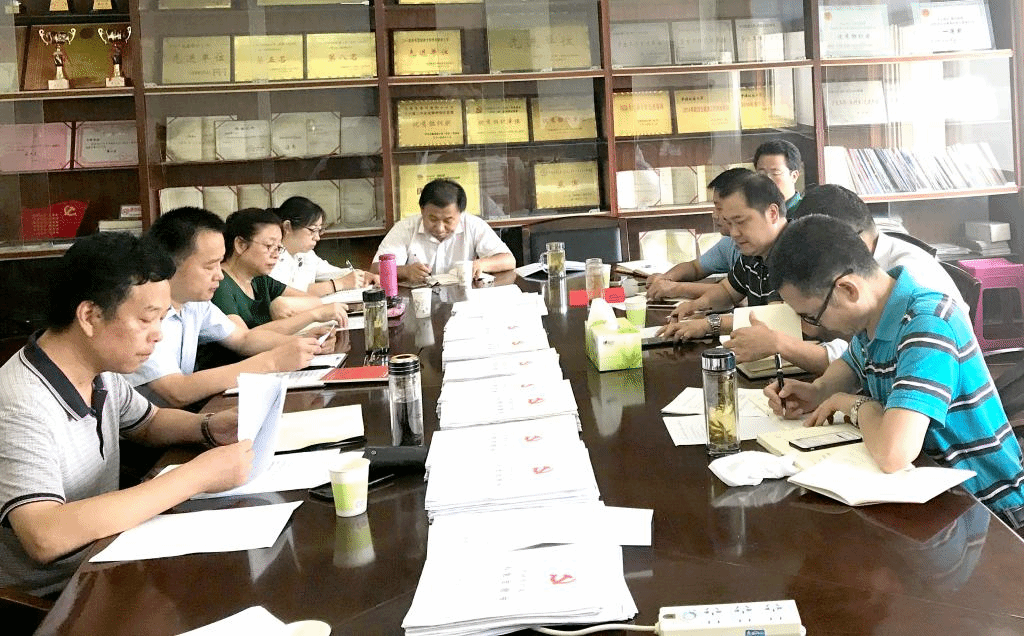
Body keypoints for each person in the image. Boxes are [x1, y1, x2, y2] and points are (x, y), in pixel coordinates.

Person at [0, 233, 253, 596]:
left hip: (110, 556)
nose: (158, 336)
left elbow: (148, 422)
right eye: (147, 319)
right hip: (56, 598)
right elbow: (45, 535)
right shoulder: (19, 402)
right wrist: (196, 477)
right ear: (90, 316)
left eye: (162, 319)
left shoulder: (99, 369)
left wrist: (209, 426)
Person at [763, 215, 1024, 530]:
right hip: (930, 495)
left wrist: (857, 405)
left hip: (989, 510)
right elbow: (850, 365)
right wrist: (818, 392)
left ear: (848, 289)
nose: (810, 328)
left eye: (812, 317)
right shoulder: (875, 314)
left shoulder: (927, 324)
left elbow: (893, 453)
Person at [127, 207, 324, 408]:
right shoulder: (143, 314)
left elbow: (243, 338)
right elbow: (177, 391)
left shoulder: (195, 304)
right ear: (170, 263)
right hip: (150, 424)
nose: (220, 275)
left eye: (219, 263)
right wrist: (272, 362)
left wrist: (304, 344)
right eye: (209, 266)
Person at [656, 172, 838, 375]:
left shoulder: (796, 250)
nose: (733, 233)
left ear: (772, 213)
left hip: (807, 365)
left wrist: (709, 324)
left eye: (740, 222)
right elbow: (728, 291)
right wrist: (696, 306)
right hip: (773, 361)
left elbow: (777, 319)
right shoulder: (755, 249)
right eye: (729, 223)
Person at [791, 184, 966, 310]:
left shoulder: (907, 278)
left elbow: (867, 344)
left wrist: (788, 344)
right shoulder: (869, 263)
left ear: (850, 241)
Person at [213, 208, 348, 332]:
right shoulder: (219, 284)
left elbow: (313, 301)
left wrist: (284, 304)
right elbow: (243, 339)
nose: (276, 255)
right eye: (269, 246)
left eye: (278, 248)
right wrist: (313, 315)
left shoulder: (259, 279)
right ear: (241, 245)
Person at [371, 178, 515, 284]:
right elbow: (376, 269)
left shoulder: (473, 224)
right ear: (422, 210)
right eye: (433, 219)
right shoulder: (405, 228)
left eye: (448, 221)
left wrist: (480, 264)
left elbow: (508, 260)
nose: (440, 228)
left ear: (460, 213)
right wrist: (406, 271)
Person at [645, 168, 748, 300]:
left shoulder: (756, 249)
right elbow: (695, 267)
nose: (714, 215)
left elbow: (730, 292)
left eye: (719, 208)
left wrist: (676, 288)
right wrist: (665, 278)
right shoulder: (729, 243)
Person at [271, 196, 379, 295]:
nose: (317, 237)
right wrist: (339, 284)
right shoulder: (271, 257)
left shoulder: (305, 254)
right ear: (287, 227)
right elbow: (287, 293)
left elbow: (331, 272)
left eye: (319, 230)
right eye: (313, 230)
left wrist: (362, 275)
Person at [753, 139, 803, 211]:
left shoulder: (809, 212)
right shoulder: (753, 213)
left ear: (794, 176)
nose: (768, 179)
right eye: (761, 174)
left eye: (775, 173)